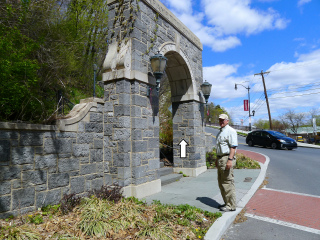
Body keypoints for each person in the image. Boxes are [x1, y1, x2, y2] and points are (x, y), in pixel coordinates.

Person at [215, 114, 238, 212]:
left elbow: (233, 147)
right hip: (221, 158)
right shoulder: (220, 132)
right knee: (221, 182)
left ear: (227, 121)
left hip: (226, 158)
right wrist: (217, 159)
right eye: (220, 120)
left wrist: (230, 160)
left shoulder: (231, 131)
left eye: (223, 120)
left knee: (227, 182)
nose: (221, 122)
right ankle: (226, 202)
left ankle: (231, 205)